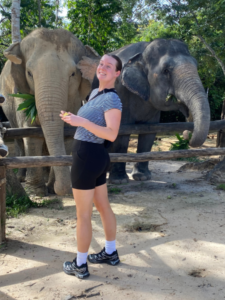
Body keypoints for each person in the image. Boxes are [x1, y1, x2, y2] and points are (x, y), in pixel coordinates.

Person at [60, 54, 123, 279]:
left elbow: (112, 133)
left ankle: (80, 265)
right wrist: (74, 119)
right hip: (93, 156)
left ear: (117, 73)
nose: (102, 67)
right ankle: (110, 252)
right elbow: (91, 125)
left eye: (109, 66)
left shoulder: (112, 99)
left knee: (83, 215)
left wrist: (82, 121)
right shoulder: (96, 93)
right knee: (103, 206)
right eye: (101, 64)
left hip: (87, 157)